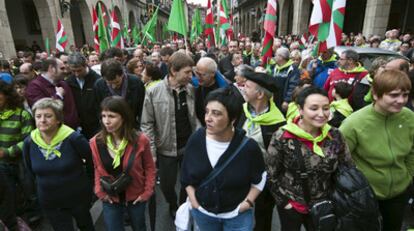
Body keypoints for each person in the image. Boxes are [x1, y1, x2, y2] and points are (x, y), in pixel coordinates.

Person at [266, 86, 353, 231]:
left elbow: (347, 167)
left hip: (325, 204)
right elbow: (271, 173)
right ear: (300, 110)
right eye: (314, 108)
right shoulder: (283, 136)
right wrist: (285, 203)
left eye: (326, 108)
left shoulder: (335, 135)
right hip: (293, 204)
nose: (321, 114)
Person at [181, 87, 266, 231]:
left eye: (216, 114)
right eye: (207, 111)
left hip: (237, 216)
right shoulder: (196, 139)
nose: (208, 118)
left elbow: (260, 177)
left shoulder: (248, 147)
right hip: (203, 213)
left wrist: (248, 203)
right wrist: (194, 202)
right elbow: (185, 174)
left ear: (232, 119)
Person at [339, 70, 414, 231]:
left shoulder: (409, 117)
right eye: (394, 95)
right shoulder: (353, 124)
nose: (401, 101)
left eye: (405, 95)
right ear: (375, 95)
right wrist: (357, 188)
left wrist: (408, 174)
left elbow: (412, 150)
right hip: (365, 197)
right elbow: (340, 161)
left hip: (399, 194)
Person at [141, 52, 199, 218]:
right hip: (165, 148)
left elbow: (196, 118)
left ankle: (181, 207)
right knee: (166, 185)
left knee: (188, 182)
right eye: (187, 72)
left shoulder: (191, 89)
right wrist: (151, 152)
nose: (191, 75)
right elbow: (147, 124)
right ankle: (172, 203)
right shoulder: (153, 92)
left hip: (188, 146)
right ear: (173, 71)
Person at [22, 98, 94, 231]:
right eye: (38, 116)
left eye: (48, 116)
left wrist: (91, 187)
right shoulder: (29, 142)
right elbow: (30, 171)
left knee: (86, 226)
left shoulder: (73, 138)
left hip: (77, 196)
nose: (42, 120)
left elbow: (91, 163)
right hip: (49, 199)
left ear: (58, 119)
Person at [90, 96, 156, 231]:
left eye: (112, 116)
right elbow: (97, 168)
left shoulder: (140, 140)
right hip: (110, 197)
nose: (106, 121)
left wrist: (147, 192)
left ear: (123, 117)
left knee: (139, 227)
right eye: (103, 116)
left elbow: (150, 167)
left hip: (136, 197)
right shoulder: (95, 142)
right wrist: (99, 191)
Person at [237, 71, 285, 231]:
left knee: (262, 216)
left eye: (247, 86)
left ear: (259, 94)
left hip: (265, 178)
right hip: (241, 175)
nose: (243, 88)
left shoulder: (278, 122)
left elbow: (280, 158)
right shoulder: (242, 110)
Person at [25, 58, 79, 129]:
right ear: (51, 69)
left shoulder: (63, 84)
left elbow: (72, 108)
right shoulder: (34, 87)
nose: (65, 71)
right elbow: (43, 110)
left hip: (73, 131)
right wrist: (58, 96)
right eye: (62, 68)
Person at [94, 58, 146, 128]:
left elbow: (142, 109)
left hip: (132, 126)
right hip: (110, 128)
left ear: (122, 74)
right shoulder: (99, 85)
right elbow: (98, 109)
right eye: (109, 83)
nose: (114, 86)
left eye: (117, 82)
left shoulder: (136, 82)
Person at [66, 52, 101, 139]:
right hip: (79, 127)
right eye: (73, 71)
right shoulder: (69, 81)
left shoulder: (98, 80)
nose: (76, 74)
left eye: (79, 70)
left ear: (86, 65)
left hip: (97, 126)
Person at [193, 57, 229, 125]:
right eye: (196, 73)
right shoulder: (194, 86)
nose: (198, 77)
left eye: (202, 75)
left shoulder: (224, 91)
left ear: (212, 74)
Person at [272, 47, 301, 112]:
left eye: (276, 55)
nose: (274, 57)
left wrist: (287, 101)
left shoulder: (293, 69)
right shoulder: (275, 67)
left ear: (281, 57)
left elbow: (293, 86)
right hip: (275, 99)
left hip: (284, 102)